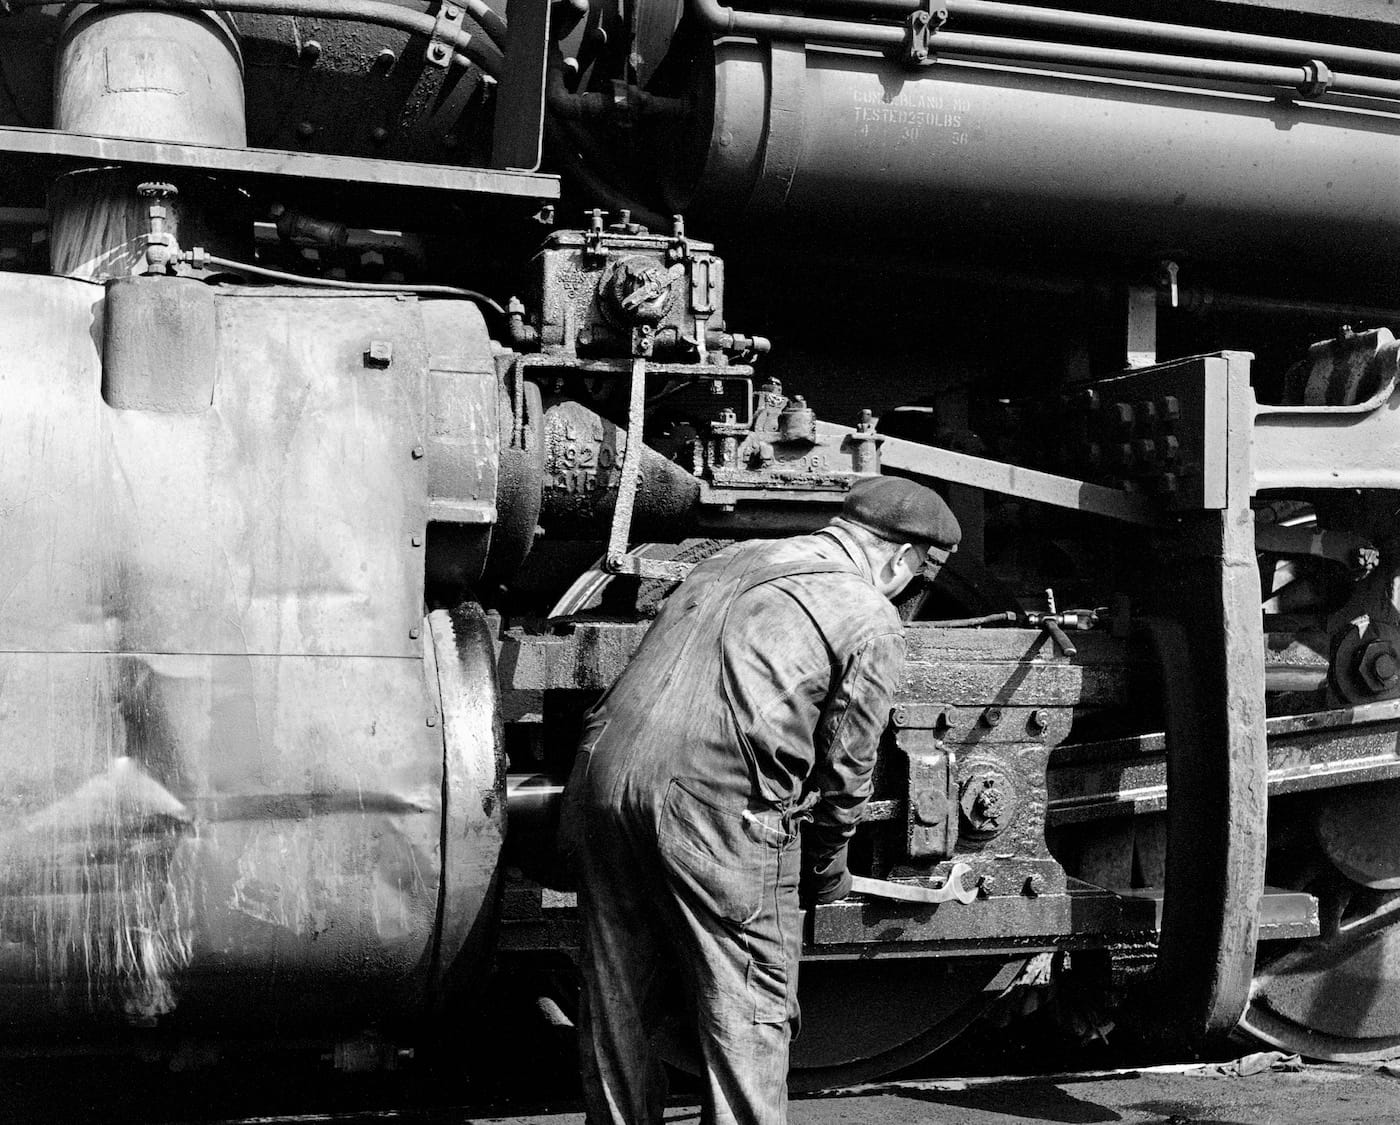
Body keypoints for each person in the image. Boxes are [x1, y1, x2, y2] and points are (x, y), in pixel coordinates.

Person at [560, 475, 962, 1125]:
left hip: (604, 775)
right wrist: (827, 869)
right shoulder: (868, 612)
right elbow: (847, 767)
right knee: (748, 1012)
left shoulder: (731, 559)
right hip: (715, 803)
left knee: (616, 1000)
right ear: (901, 559)